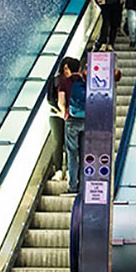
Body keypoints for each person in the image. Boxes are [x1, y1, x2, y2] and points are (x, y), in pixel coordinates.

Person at [57, 57, 85, 194]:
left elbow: (61, 102)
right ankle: (85, 185)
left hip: (72, 120)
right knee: (85, 153)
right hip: (87, 120)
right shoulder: (86, 81)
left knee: (72, 153)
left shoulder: (65, 82)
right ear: (79, 68)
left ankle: (73, 186)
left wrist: (64, 113)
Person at [47, 57, 74, 182]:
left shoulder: (74, 81)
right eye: (65, 68)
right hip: (56, 115)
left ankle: (69, 170)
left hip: (70, 115)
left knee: (70, 144)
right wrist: (59, 110)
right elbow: (50, 98)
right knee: (58, 142)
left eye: (69, 68)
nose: (67, 71)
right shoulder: (55, 80)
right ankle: (58, 170)